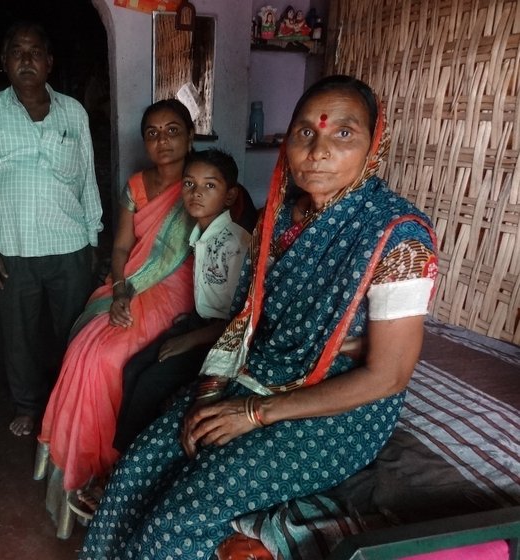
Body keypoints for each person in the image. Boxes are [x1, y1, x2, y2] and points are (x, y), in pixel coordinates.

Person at [80, 75, 438, 559]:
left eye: (344, 134)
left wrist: (253, 413)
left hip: (335, 410)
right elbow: (246, 320)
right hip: (257, 375)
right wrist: (208, 393)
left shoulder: (398, 236)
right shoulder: (278, 218)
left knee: (181, 515)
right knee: (136, 470)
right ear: (288, 140)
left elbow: (388, 375)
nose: (319, 150)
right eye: (305, 133)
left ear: (375, 143)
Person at [37, 99, 196, 501]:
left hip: (177, 287)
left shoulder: (201, 183)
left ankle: (109, 466)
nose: (163, 140)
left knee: (108, 358)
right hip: (129, 282)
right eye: (153, 133)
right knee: (82, 349)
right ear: (144, 142)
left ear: (191, 136)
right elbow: (123, 248)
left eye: (173, 130)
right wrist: (122, 288)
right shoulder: (137, 187)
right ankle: (82, 461)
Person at [0, 22, 103, 437]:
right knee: (19, 334)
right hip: (13, 247)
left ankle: (70, 401)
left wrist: (93, 238)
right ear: (4, 62)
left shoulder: (73, 112)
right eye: (17, 52)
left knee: (73, 332)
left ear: (49, 62)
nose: (26, 59)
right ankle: (27, 405)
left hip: (69, 245)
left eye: (35, 51)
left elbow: (87, 181)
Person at [112, 149, 251, 456]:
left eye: (209, 186)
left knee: (150, 383)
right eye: (189, 184)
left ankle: (130, 463)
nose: (196, 193)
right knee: (133, 367)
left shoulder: (235, 244)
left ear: (230, 196)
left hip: (223, 338)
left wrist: (191, 339)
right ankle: (124, 454)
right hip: (199, 324)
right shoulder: (200, 234)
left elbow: (243, 319)